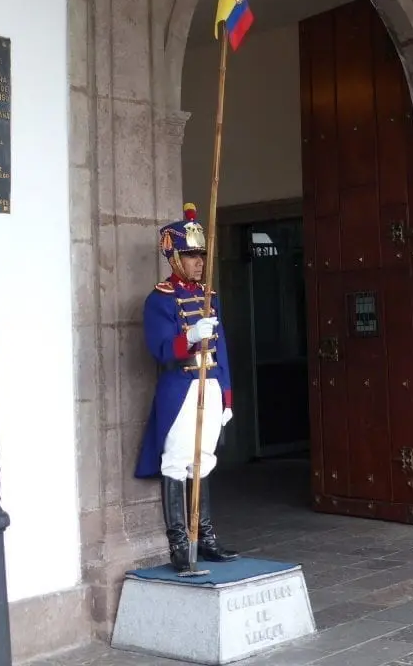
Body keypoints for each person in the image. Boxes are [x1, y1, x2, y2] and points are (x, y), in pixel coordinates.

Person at [135, 202, 238, 570]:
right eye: (191, 255)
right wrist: (191, 335)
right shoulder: (159, 300)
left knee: (204, 460)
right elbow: (162, 350)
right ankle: (181, 544)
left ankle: (205, 536)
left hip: (208, 385)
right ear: (175, 257)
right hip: (181, 388)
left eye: (201, 255)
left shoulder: (211, 296)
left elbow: (222, 349)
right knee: (178, 462)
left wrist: (225, 395)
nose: (198, 261)